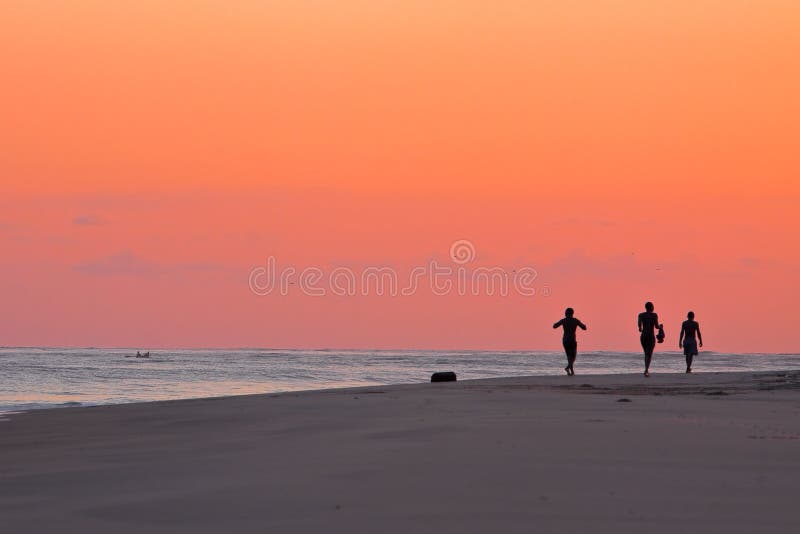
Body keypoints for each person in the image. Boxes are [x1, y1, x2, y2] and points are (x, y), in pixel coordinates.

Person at [553, 308, 587, 376]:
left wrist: (555, 324)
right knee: (573, 356)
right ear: (572, 313)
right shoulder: (575, 320)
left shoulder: (563, 320)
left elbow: (554, 326)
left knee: (569, 356)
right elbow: (584, 328)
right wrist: (584, 326)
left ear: (566, 313)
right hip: (572, 340)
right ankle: (568, 368)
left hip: (565, 340)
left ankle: (571, 371)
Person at [637, 302, 662, 377]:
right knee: (649, 354)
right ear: (652, 307)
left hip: (644, 336)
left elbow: (639, 324)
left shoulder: (641, 315)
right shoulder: (654, 315)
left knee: (646, 353)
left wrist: (640, 328)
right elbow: (657, 326)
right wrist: (661, 327)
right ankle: (646, 369)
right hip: (650, 336)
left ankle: (646, 369)